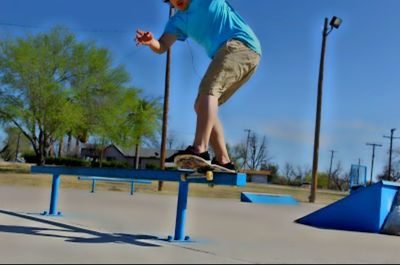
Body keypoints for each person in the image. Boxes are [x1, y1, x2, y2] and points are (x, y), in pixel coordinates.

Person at [135, 0, 261, 172]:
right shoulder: (176, 21)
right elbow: (163, 45)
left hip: (239, 45)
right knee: (201, 105)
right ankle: (224, 160)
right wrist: (151, 42)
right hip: (246, 56)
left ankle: (199, 150)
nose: (176, 1)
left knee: (208, 89)